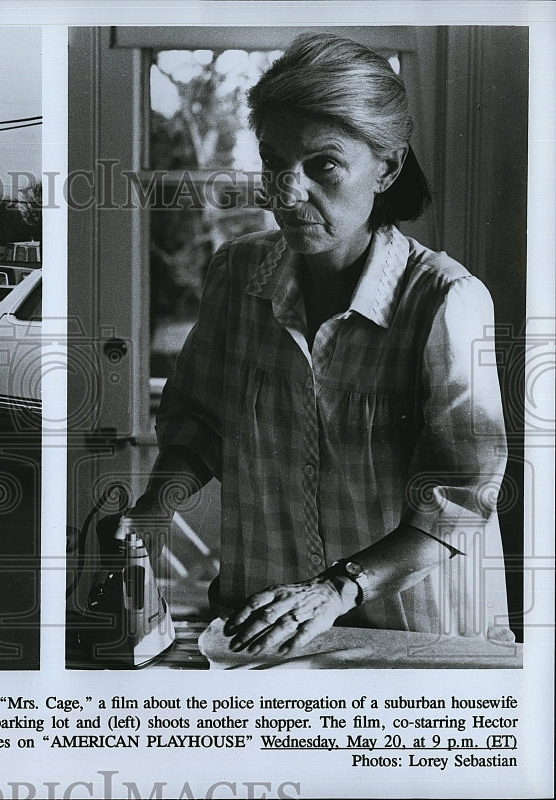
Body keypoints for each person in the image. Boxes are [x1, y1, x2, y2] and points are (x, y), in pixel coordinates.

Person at [122, 33, 512, 657]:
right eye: (274, 161)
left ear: (386, 166)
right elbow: (199, 425)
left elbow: (460, 499)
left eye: (322, 165)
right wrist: (154, 507)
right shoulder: (236, 275)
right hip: (265, 620)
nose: (287, 191)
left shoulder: (444, 300)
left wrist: (335, 590)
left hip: (412, 634)